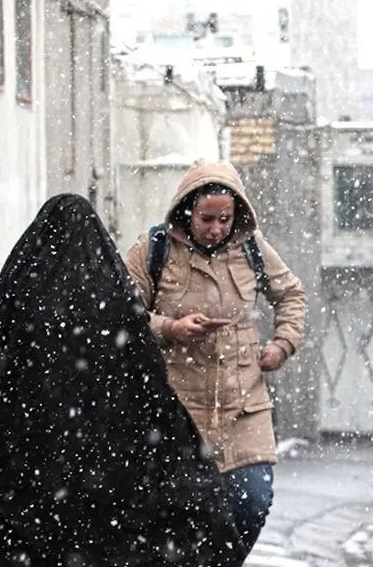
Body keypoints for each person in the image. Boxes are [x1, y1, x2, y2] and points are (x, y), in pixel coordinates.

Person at [0, 193, 245, 567]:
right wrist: (180, 451)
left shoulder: (24, 288)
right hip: (98, 465)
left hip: (23, 454)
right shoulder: (116, 299)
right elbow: (150, 380)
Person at [124, 159, 307, 564]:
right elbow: (122, 314)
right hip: (176, 411)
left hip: (243, 406)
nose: (217, 228)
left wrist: (282, 345)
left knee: (252, 502)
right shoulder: (152, 250)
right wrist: (171, 327)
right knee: (175, 518)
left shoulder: (252, 248)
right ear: (187, 211)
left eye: (225, 219)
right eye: (207, 218)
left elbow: (291, 296)